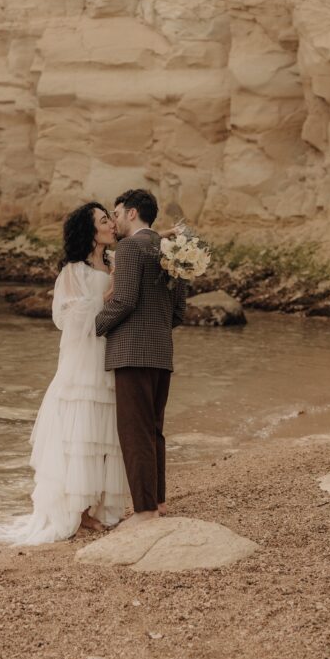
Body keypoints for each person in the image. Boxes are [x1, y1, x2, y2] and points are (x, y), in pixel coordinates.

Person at [0, 202, 130, 544]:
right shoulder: (73, 271)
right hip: (81, 359)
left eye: (109, 219)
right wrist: (106, 296)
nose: (110, 225)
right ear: (89, 232)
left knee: (103, 432)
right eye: (103, 221)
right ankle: (76, 511)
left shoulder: (115, 262)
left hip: (110, 353)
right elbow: (67, 319)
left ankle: (94, 506)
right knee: (80, 429)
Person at [96, 189, 186, 525]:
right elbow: (179, 312)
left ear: (132, 213)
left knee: (134, 432)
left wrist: (93, 327)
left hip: (131, 353)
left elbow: (125, 300)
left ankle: (145, 510)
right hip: (162, 352)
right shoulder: (172, 249)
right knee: (154, 429)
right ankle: (158, 502)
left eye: (117, 213)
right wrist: (156, 329)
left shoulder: (131, 247)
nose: (115, 220)